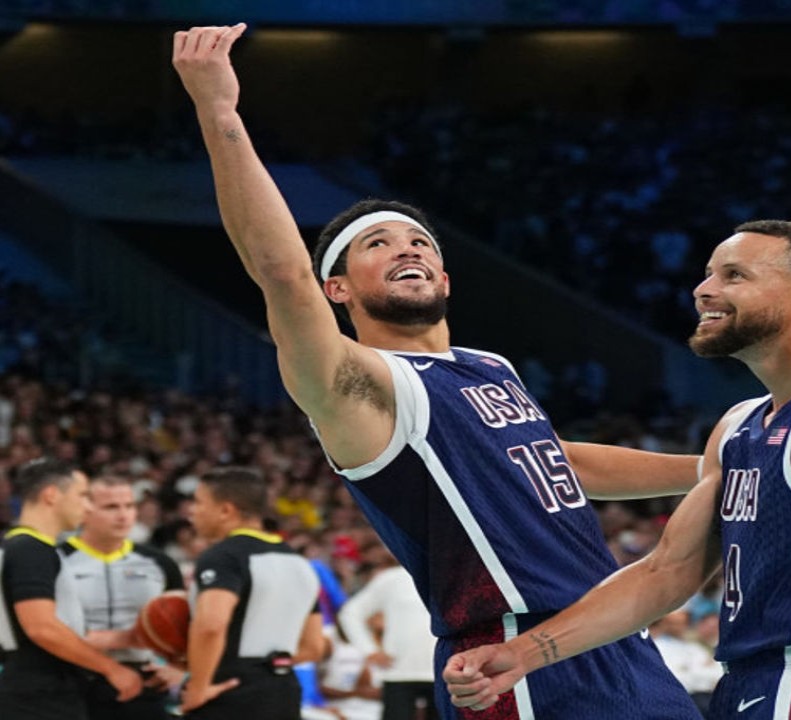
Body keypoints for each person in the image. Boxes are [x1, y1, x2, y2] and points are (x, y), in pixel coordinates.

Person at [173, 23, 701, 720]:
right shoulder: (360, 387)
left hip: (613, 636)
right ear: (336, 289)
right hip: (509, 655)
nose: (405, 246)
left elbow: (553, 459)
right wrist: (218, 111)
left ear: (445, 276)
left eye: (418, 239)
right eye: (376, 243)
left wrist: (713, 468)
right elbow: (280, 273)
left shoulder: (488, 366)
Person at [444, 221, 791, 719]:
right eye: (708, 274)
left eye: (733, 276)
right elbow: (664, 574)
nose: (704, 290)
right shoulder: (740, 424)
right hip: (749, 686)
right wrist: (523, 654)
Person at [0, 459, 144, 719]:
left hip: (30, 684)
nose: (87, 506)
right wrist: (112, 669)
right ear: (51, 495)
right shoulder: (32, 550)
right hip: (40, 692)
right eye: (82, 495)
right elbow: (42, 628)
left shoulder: (18, 545)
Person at [181, 466, 326, 719]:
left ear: (226, 510)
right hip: (285, 692)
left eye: (198, 502)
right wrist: (269, 667)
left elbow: (211, 626)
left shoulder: (223, 556)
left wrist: (198, 687)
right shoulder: (299, 563)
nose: (192, 511)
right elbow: (314, 647)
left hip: (229, 692)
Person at [60, 475, 187, 719]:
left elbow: (186, 625)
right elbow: (47, 630)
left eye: (129, 506)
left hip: (144, 683)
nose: (123, 515)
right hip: (72, 681)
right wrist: (129, 637)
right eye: (111, 507)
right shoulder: (55, 561)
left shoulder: (160, 563)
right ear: (85, 510)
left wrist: (177, 667)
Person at [338, 557, 438, 719]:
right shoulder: (391, 579)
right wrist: (369, 650)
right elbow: (350, 613)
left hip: (444, 672)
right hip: (398, 672)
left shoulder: (453, 577)